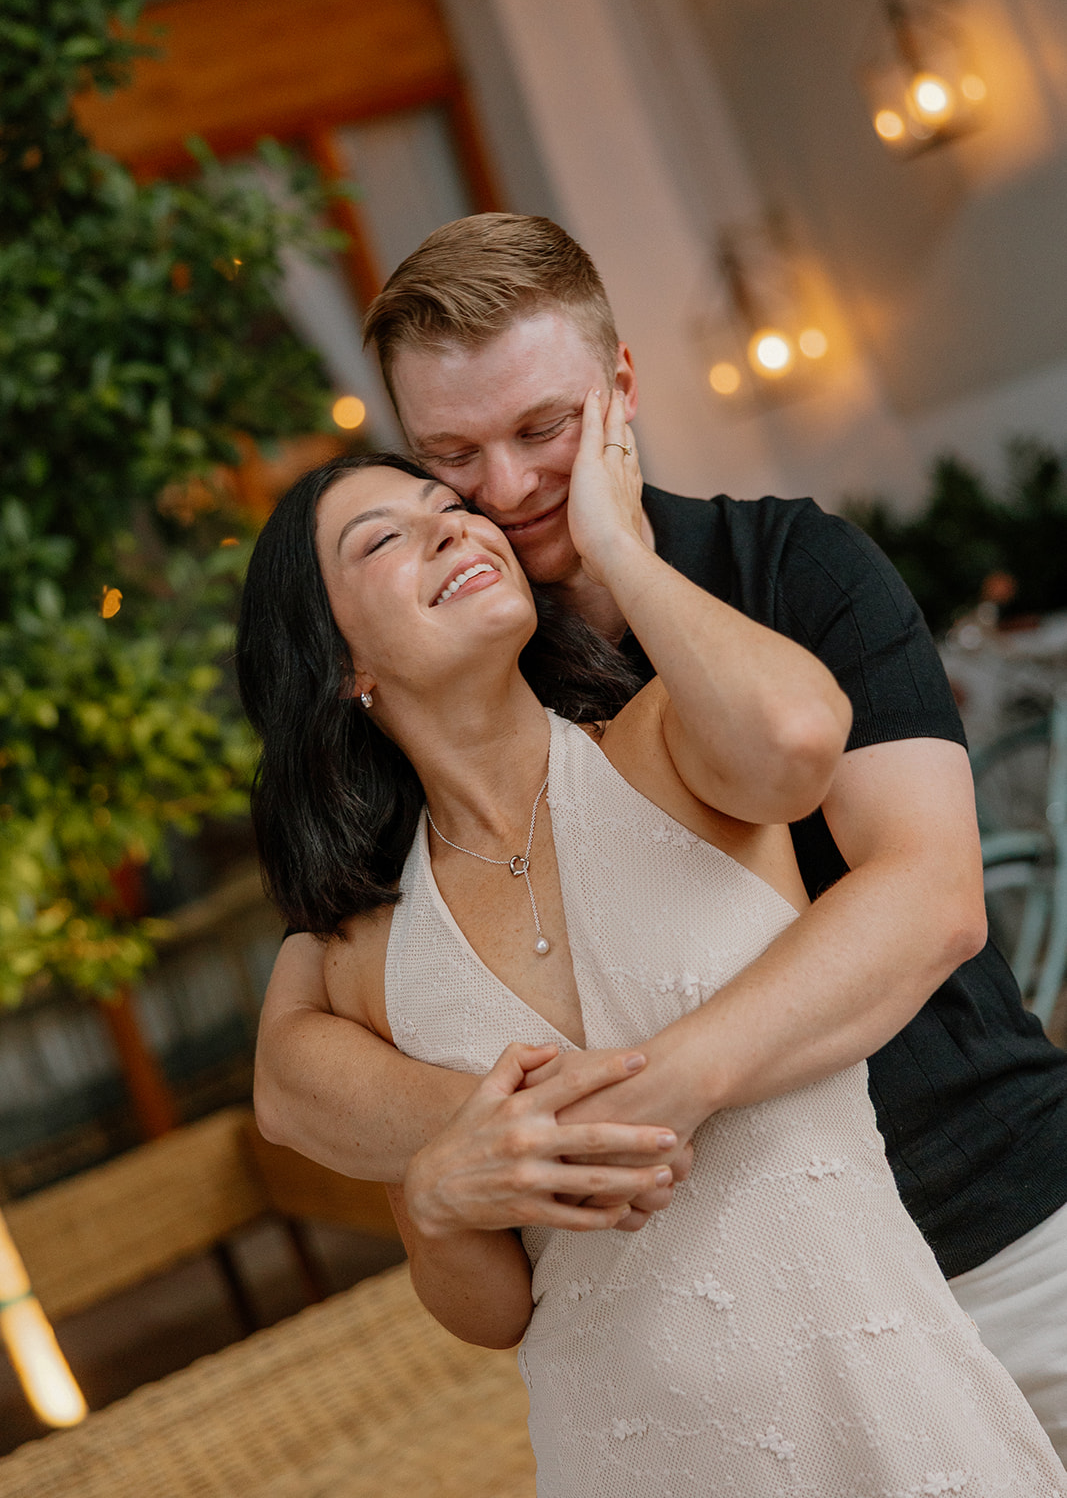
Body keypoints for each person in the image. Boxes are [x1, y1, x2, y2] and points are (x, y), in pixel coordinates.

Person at [253, 214, 1067, 1456]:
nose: (508, 490)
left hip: (1000, 1231)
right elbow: (296, 1068)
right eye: (451, 459)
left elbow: (930, 896)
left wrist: (650, 1094)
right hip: (721, 1359)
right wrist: (476, 1149)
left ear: (621, 386)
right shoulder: (433, 738)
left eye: (543, 430)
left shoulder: (785, 572)